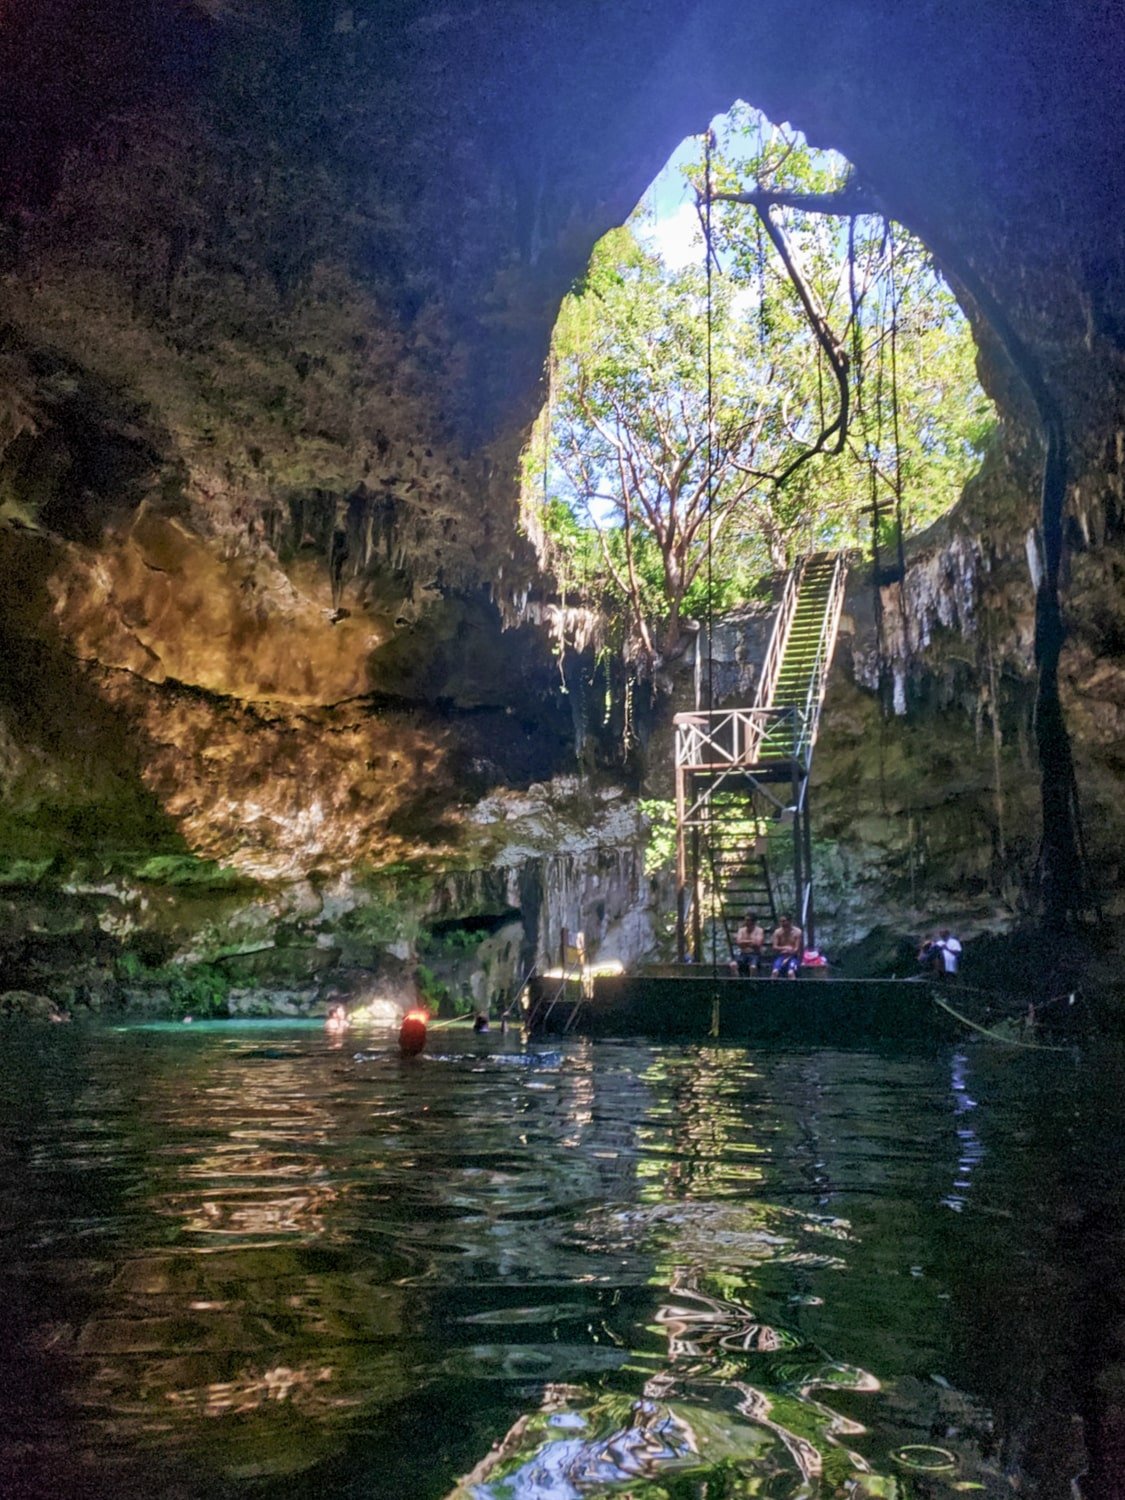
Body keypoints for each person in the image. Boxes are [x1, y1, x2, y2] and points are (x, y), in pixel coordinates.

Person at [729, 912, 765, 976]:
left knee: (753, 967)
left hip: (754, 954)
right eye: (745, 920)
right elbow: (739, 942)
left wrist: (744, 942)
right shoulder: (741, 930)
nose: (746, 922)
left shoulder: (759, 930)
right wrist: (750, 942)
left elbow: (758, 944)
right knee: (733, 965)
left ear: (753, 921)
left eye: (748, 920)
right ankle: (738, 982)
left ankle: (752, 983)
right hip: (743, 954)